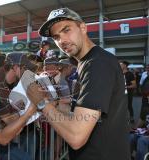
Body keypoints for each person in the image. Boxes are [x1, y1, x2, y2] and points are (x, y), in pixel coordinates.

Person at [26, 8, 130, 160]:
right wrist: (53, 103)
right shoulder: (87, 62)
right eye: (56, 37)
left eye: (66, 30)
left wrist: (41, 103)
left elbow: (76, 136)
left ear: (83, 27)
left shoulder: (97, 63)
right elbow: (84, 115)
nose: (62, 41)